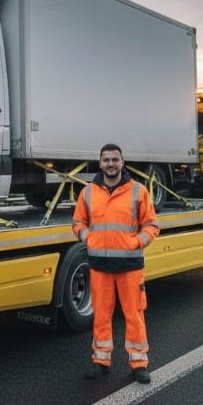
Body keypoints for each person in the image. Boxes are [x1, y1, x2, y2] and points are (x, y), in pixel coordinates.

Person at [72, 143, 159, 384]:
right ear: (100, 163)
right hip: (100, 266)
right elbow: (78, 223)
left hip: (130, 267)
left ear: (122, 162)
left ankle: (139, 364)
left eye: (115, 160)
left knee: (134, 315)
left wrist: (137, 242)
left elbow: (151, 225)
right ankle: (101, 360)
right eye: (106, 160)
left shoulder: (138, 191)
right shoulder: (88, 192)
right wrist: (88, 238)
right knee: (101, 315)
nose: (110, 164)